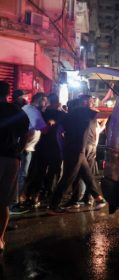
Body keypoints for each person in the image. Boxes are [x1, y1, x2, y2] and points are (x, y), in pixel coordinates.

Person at [49, 95, 107, 214]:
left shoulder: (68, 115)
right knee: (68, 178)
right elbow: (104, 114)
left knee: (87, 175)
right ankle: (53, 205)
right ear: (84, 103)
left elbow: (59, 128)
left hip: (73, 148)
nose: (91, 103)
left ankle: (98, 199)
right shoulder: (83, 111)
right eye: (89, 102)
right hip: (77, 149)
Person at [0, 81, 29, 254]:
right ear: (8, 93)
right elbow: (26, 133)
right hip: (11, 158)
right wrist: (19, 149)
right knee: (3, 202)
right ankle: (0, 239)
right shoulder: (16, 111)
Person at [24, 94, 66, 207]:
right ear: (57, 102)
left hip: (41, 147)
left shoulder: (41, 113)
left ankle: (35, 195)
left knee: (39, 172)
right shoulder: (62, 115)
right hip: (56, 147)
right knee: (53, 173)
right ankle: (50, 196)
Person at [10, 93, 48, 214]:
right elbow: (44, 129)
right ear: (40, 100)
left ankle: (15, 200)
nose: (46, 104)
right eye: (45, 101)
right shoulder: (34, 111)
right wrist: (51, 123)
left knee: (19, 175)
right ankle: (13, 204)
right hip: (25, 149)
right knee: (22, 176)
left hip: (23, 147)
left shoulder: (26, 108)